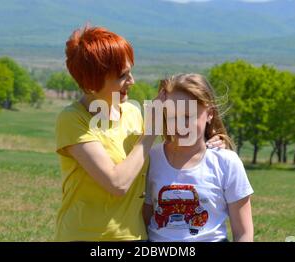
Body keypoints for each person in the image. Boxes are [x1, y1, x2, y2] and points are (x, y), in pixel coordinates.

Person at [55, 26, 225, 241]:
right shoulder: (73, 119)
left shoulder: (132, 113)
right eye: (122, 75)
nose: (132, 81)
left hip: (136, 237)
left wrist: (214, 144)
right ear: (92, 81)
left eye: (130, 71)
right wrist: (151, 130)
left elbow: (171, 151)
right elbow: (117, 183)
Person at [143, 73, 254, 242]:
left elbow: (243, 233)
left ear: (210, 113)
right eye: (173, 116)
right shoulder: (151, 159)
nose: (180, 124)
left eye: (188, 116)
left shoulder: (226, 162)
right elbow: (145, 221)